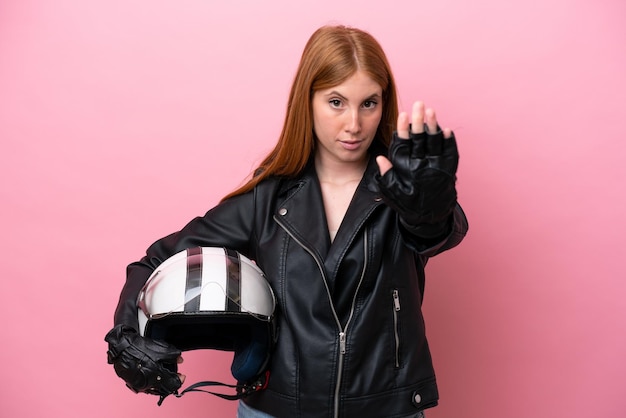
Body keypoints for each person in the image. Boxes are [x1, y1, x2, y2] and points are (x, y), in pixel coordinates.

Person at [105, 24, 468, 418]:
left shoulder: (405, 190)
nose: (354, 124)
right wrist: (125, 333)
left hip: (386, 408)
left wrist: (430, 209)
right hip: (276, 410)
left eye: (369, 103)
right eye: (336, 102)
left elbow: (435, 233)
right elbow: (153, 262)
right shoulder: (267, 199)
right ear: (307, 101)